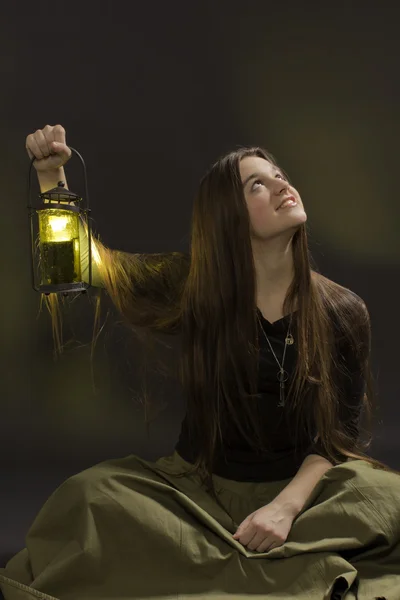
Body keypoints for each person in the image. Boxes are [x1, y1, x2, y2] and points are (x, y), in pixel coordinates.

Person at [1, 124, 400, 600]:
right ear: (227, 216)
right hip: (199, 496)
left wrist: (284, 509)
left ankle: (237, 566)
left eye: (279, 176)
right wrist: (52, 176)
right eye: (258, 184)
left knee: (385, 498)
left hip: (305, 496)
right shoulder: (193, 288)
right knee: (89, 499)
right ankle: (263, 569)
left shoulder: (343, 311)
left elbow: (337, 439)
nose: (281, 186)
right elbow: (84, 264)